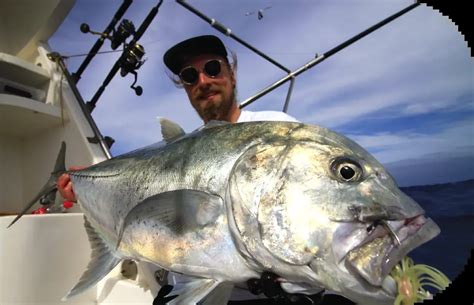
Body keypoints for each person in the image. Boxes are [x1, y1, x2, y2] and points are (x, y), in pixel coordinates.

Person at [58, 35, 353, 305]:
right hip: (181, 290)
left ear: (232, 73)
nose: (203, 80)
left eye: (212, 68)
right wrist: (84, 183)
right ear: (186, 88)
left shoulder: (277, 128)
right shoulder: (176, 150)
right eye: (190, 76)